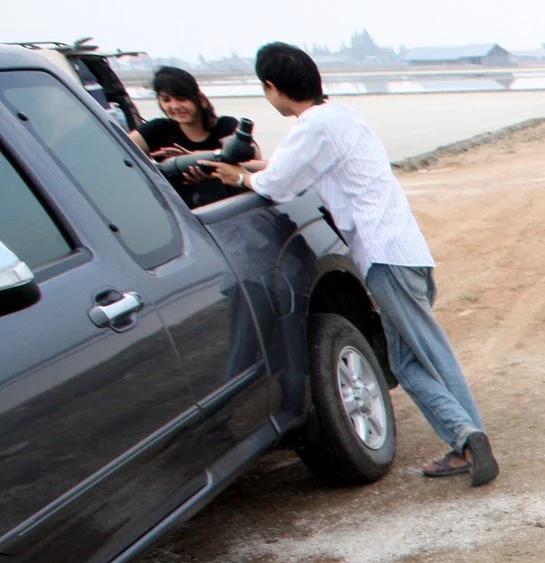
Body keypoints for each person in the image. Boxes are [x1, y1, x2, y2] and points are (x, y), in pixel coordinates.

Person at [209, 42, 497, 486]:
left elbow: (276, 186)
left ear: (272, 87)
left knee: (428, 352)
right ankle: (464, 439)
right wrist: (260, 166)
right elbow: (307, 168)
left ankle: (472, 437)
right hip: (406, 252)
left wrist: (240, 176)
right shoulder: (341, 117)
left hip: (384, 258)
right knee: (405, 363)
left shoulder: (311, 128)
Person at [137, 66, 254, 209]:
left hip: (228, 210)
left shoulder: (225, 127)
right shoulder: (157, 130)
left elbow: (256, 163)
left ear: (201, 99)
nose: (175, 106)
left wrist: (198, 162)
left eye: (181, 99)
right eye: (166, 100)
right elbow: (117, 149)